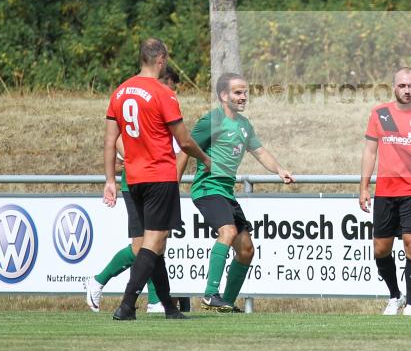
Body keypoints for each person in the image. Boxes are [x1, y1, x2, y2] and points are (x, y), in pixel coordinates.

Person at [103, 38, 211, 320]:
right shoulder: (164, 94)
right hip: (159, 176)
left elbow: (109, 140)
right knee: (153, 242)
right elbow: (185, 141)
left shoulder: (120, 92)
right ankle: (126, 305)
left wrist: (109, 180)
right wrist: (206, 158)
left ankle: (169, 307)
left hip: (133, 179)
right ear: (161, 59)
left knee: (156, 243)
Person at [177, 72, 294, 312]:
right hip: (208, 187)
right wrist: (171, 188)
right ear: (223, 95)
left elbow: (259, 152)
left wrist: (279, 170)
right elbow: (184, 149)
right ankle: (210, 294)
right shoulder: (211, 120)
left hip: (226, 192)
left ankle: (226, 304)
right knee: (227, 231)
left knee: (246, 250)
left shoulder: (244, 124)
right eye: (238, 93)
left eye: (245, 93)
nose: (243, 97)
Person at [85, 66, 181, 314]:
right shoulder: (150, 101)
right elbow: (117, 142)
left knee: (156, 244)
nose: (172, 90)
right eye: (170, 84)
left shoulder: (158, 108)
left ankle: (161, 303)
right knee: (144, 246)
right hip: (140, 181)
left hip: (152, 179)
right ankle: (103, 284)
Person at [359, 67, 411, 316]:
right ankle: (395, 296)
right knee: (380, 250)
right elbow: (370, 152)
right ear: (394, 87)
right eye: (402, 86)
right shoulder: (380, 114)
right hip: (385, 192)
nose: (407, 90)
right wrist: (364, 187)